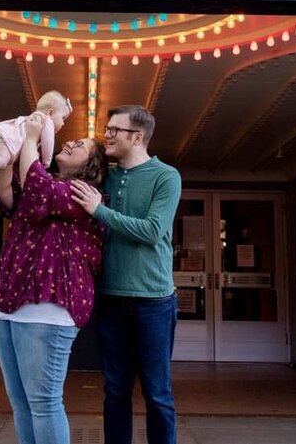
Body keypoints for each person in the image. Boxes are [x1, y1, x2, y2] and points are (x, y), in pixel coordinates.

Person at [0, 113, 109, 444]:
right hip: (12, 302)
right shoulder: (43, 187)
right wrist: (8, 147)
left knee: (43, 402)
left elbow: (36, 186)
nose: (70, 141)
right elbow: (5, 190)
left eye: (80, 145)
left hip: (50, 305)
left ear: (93, 167)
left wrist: (30, 139)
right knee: (21, 403)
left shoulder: (81, 192)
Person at [69, 104, 182, 444]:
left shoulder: (166, 177)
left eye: (115, 130)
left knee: (157, 392)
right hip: (111, 299)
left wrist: (99, 210)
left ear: (137, 136)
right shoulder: (107, 176)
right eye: (107, 129)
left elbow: (152, 231)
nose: (108, 135)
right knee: (115, 389)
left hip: (155, 302)